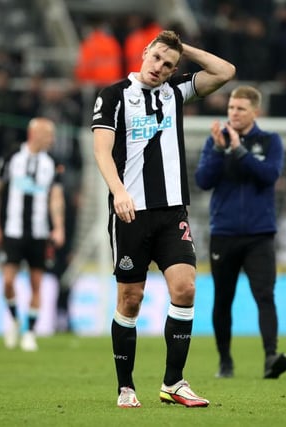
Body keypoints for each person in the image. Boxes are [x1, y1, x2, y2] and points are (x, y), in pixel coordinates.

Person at [92, 30, 235, 408]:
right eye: (157, 58)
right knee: (131, 299)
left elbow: (225, 71)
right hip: (130, 212)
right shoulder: (113, 96)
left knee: (186, 288)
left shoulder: (176, 92)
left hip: (173, 212)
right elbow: (102, 151)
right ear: (144, 53)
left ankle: (174, 382)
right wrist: (119, 191)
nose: (160, 68)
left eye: (169, 64)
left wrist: (181, 49)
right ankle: (126, 387)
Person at [194, 85, 286, 379]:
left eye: (240, 109)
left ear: (255, 112)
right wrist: (222, 151)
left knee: (265, 295)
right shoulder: (216, 142)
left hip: (260, 234)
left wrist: (240, 151)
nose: (233, 113)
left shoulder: (270, 141)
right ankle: (225, 362)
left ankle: (271, 357)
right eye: (231, 108)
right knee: (223, 299)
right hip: (224, 232)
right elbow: (203, 181)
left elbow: (269, 175)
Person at [0, 118, 65, 352]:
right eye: (48, 134)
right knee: (8, 281)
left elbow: (56, 197)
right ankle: (13, 318)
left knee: (36, 284)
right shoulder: (11, 157)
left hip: (39, 232)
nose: (51, 139)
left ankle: (30, 332)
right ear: (34, 134)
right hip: (12, 230)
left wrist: (59, 226)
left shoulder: (52, 162)